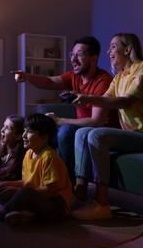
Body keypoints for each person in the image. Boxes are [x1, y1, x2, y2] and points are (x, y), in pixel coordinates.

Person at [70, 33, 143, 220]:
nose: (108, 51)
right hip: (133, 136)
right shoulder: (118, 78)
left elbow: (126, 101)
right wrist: (79, 96)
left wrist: (89, 98)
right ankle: (80, 194)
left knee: (97, 136)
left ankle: (101, 205)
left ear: (128, 49)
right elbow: (105, 100)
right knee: (82, 132)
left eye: (113, 46)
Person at [12, 36, 119, 186]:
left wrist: (59, 120)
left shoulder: (104, 81)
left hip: (100, 132)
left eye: (79, 55)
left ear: (93, 59)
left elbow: (96, 121)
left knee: (66, 131)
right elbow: (49, 81)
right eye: (72, 54)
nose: (73, 59)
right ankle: (23, 177)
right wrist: (28, 76)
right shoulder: (74, 76)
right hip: (82, 130)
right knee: (35, 133)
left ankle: (67, 184)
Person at [0, 113, 73, 226]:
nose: (24, 135)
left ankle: (0, 212)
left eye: (29, 132)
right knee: (2, 186)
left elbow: (49, 191)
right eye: (24, 130)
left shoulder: (48, 157)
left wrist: (18, 191)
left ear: (44, 137)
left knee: (25, 193)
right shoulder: (29, 154)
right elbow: (27, 182)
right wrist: (7, 184)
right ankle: (27, 215)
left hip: (57, 206)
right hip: (38, 198)